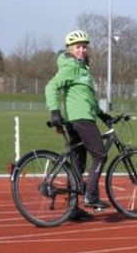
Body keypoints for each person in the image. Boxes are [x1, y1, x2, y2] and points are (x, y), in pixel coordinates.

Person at [45, 30, 114, 218]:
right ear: (70, 49)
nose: (82, 50)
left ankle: (73, 209)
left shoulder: (83, 69)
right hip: (80, 119)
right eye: (78, 47)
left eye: (84, 47)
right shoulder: (71, 67)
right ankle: (91, 195)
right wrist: (54, 110)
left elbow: (88, 98)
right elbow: (51, 86)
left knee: (77, 164)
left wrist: (102, 115)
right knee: (100, 154)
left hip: (80, 118)